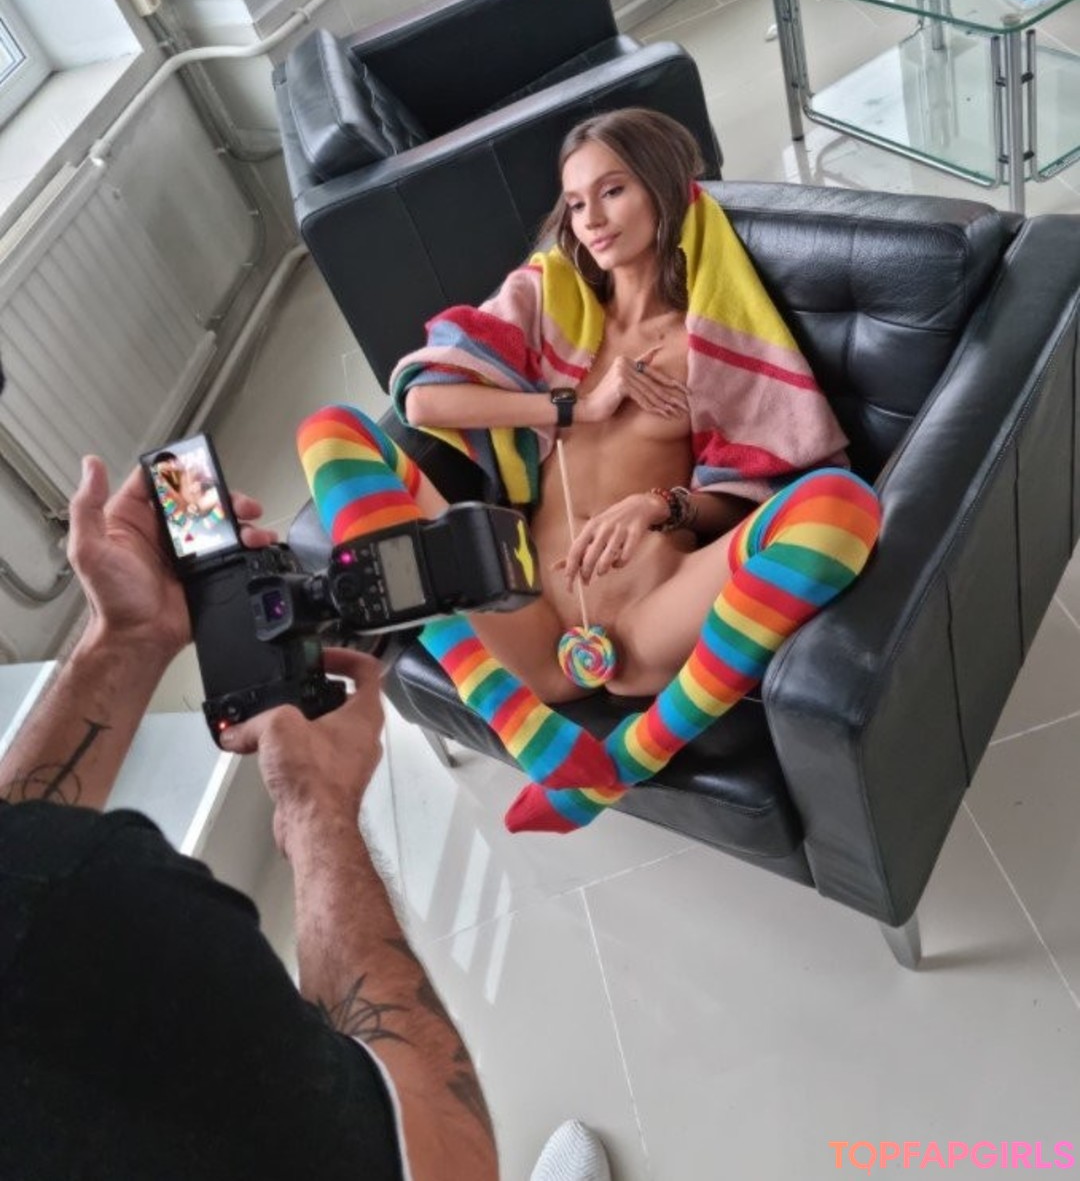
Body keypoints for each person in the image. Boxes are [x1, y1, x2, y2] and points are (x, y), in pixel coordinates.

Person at [297, 108, 882, 836]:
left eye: (613, 191)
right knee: (329, 432)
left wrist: (657, 506)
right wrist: (578, 404)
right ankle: (514, 717)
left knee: (842, 504)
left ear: (665, 189)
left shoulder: (710, 337)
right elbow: (423, 397)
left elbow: (753, 491)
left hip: (647, 621)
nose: (593, 220)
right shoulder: (552, 303)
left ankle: (627, 759)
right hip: (523, 609)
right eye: (576, 203)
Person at [0, 455, 499, 1181]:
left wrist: (129, 637)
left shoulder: (54, 897)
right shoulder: (102, 910)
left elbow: (19, 862)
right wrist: (316, 808)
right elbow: (446, 1155)